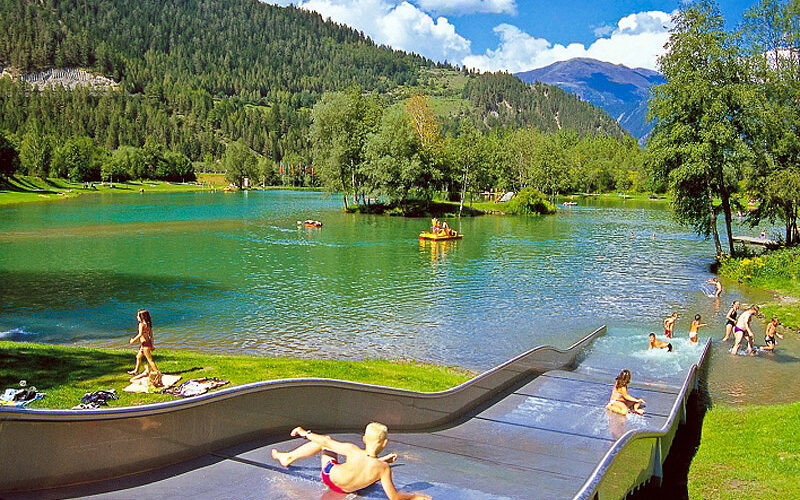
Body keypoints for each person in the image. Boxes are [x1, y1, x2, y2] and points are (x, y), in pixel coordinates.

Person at [271, 422, 432, 500]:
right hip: (346, 489)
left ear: (364, 439)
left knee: (325, 441)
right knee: (371, 471)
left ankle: (288, 457)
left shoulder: (352, 450)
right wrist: (415, 496)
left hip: (329, 476)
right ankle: (287, 457)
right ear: (384, 444)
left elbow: (325, 442)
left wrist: (304, 432)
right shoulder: (383, 469)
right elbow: (395, 497)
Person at [128, 309, 158, 376]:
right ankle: (136, 371)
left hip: (145, 344)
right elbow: (151, 336)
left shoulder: (141, 324)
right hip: (147, 343)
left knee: (150, 360)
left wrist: (133, 340)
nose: (137, 317)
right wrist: (152, 345)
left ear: (142, 317)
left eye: (138, 316)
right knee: (138, 357)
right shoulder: (148, 324)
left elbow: (140, 334)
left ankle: (158, 373)